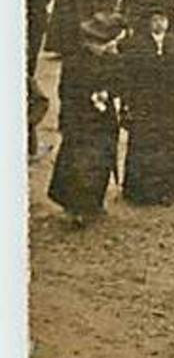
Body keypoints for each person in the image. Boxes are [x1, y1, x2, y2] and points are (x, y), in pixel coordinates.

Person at [47, 12, 126, 226]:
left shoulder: (112, 59)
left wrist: (107, 93)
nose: (105, 48)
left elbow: (120, 82)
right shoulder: (75, 62)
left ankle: (94, 202)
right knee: (78, 163)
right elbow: (66, 91)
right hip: (79, 117)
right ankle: (75, 207)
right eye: (100, 44)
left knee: (101, 160)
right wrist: (88, 97)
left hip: (103, 118)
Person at [119, 7, 174, 206]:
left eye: (163, 20)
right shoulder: (136, 44)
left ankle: (168, 188)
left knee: (169, 143)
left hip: (169, 103)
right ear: (149, 23)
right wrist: (129, 103)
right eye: (155, 20)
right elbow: (130, 76)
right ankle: (141, 191)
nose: (159, 24)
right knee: (145, 145)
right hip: (145, 103)